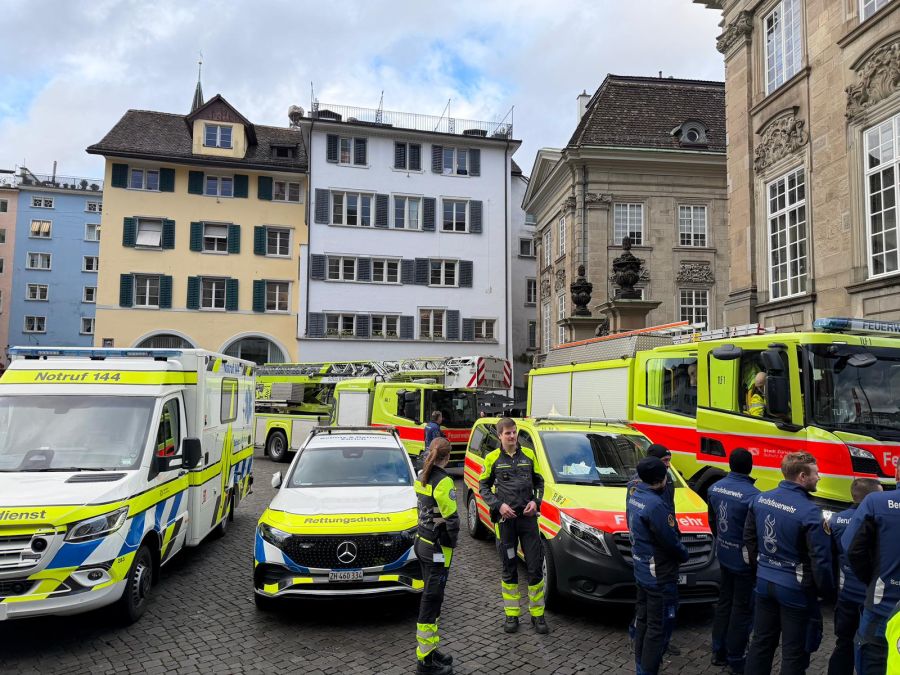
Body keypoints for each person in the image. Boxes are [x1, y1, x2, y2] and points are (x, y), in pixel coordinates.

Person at [743, 452, 833, 675]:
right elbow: (821, 560)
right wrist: (827, 593)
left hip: (764, 582)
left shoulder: (760, 499)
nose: (819, 477)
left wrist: (761, 569)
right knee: (795, 652)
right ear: (802, 476)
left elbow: (750, 539)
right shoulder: (811, 513)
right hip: (795, 588)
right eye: (816, 473)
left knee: (761, 643)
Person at [478, 417, 548, 635]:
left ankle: (538, 615)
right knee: (509, 569)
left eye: (514, 432)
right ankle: (512, 614)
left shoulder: (528, 455)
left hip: (528, 522)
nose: (512, 436)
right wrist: (498, 506)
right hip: (506, 524)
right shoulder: (491, 459)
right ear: (499, 436)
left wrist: (535, 502)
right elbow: (483, 487)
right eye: (507, 433)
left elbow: (539, 483)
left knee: (535, 567)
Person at [627, 456, 689, 675]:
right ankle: (647, 670)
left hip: (642, 569)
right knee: (657, 627)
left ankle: (640, 666)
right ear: (661, 479)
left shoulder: (636, 494)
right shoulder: (655, 505)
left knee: (643, 621)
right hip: (658, 574)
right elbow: (670, 539)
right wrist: (684, 554)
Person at [842, 458, 900, 674]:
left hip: (881, 606)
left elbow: (851, 548)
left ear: (896, 474)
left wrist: (872, 578)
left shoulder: (876, 502)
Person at [708, 448, 760, 674]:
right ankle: (736, 657)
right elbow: (754, 534)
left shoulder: (714, 488)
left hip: (724, 553)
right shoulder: (753, 495)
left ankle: (718, 650)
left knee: (724, 603)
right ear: (750, 466)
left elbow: (712, 520)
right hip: (743, 561)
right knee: (742, 608)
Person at [827, 478, 882, 675]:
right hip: (870, 597)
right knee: (869, 648)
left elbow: (829, 556)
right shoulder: (877, 521)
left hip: (845, 595)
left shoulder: (836, 519)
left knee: (843, 643)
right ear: (871, 498)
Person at [414, 437, 459, 675]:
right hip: (437, 550)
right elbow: (452, 521)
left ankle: (430, 650)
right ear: (447, 456)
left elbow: (423, 510)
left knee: (433, 600)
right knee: (431, 602)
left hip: (422, 543)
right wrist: (452, 543)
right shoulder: (444, 482)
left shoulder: (422, 475)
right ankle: (424, 662)